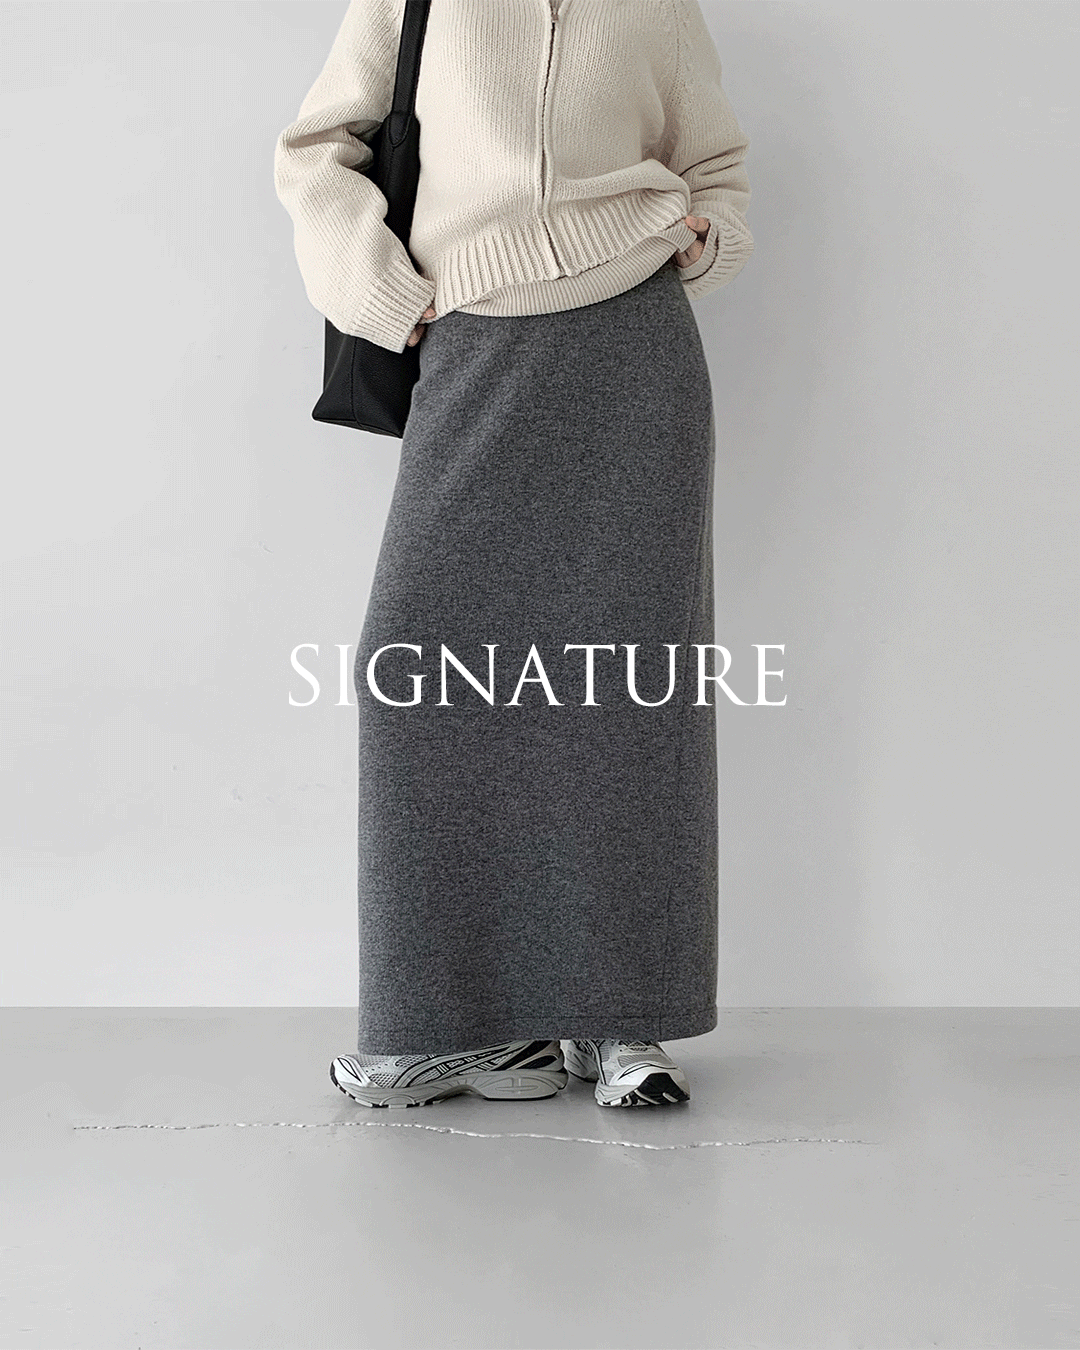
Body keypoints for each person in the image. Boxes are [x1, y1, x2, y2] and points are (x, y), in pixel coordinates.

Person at [273, 0, 754, 1110]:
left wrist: (704, 237)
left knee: (625, 690)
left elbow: (717, 165)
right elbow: (316, 150)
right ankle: (446, 1026)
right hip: (473, 343)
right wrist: (385, 293)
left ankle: (619, 1020)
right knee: (413, 667)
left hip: (635, 355)